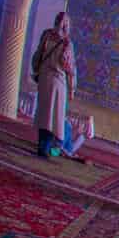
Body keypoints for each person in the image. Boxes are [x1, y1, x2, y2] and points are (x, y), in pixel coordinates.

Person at [31, 12, 76, 158]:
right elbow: (69, 67)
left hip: (44, 78)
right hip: (58, 82)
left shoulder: (46, 35)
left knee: (44, 114)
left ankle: (42, 146)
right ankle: (49, 150)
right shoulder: (66, 43)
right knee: (54, 118)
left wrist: (37, 69)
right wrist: (72, 89)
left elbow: (37, 56)